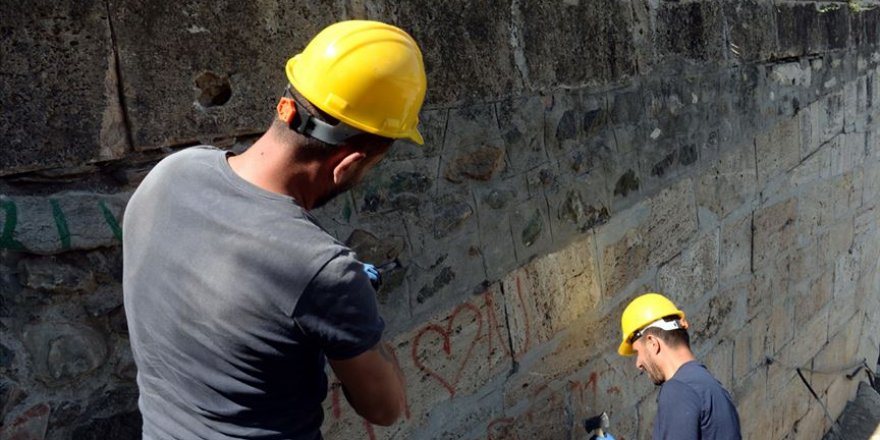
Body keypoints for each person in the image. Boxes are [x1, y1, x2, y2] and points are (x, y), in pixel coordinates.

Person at [122, 20, 427, 440]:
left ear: (287, 103)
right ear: (349, 163)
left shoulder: (170, 173)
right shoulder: (324, 272)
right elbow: (385, 408)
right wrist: (359, 314)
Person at [618, 293, 742, 440]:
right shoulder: (712, 387)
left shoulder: (678, 390)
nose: (638, 364)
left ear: (652, 343)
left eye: (638, 352)